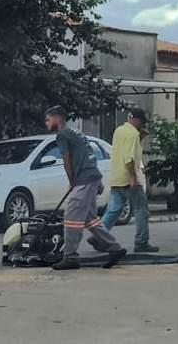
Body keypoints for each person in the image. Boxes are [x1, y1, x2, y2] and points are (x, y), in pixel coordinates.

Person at [44, 106, 126, 270]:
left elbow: (67, 159)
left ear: (58, 118)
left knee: (71, 217)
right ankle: (114, 248)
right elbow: (90, 155)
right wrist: (98, 180)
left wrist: (72, 180)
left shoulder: (62, 135)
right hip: (91, 177)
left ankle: (70, 257)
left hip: (83, 179)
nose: (46, 123)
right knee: (89, 218)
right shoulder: (77, 133)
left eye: (48, 119)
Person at [101, 108, 159, 253]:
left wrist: (141, 138)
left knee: (113, 210)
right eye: (141, 123)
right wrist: (133, 178)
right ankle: (141, 243)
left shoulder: (119, 131)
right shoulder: (133, 134)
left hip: (116, 177)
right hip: (129, 178)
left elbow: (124, 150)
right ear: (138, 120)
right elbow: (129, 158)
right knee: (141, 211)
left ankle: (98, 236)